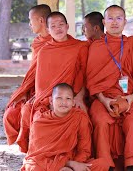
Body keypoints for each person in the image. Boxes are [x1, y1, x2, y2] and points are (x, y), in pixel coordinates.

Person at [86, 5, 133, 170]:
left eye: (119, 18)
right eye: (110, 18)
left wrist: (132, 97)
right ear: (104, 22)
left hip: (128, 96)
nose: (115, 22)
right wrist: (104, 100)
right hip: (104, 97)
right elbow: (91, 79)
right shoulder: (96, 47)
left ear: (125, 22)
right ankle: (106, 165)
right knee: (100, 121)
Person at [16, 11, 88, 153]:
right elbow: (41, 80)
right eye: (53, 26)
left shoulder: (80, 47)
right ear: (48, 30)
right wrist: (41, 98)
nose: (58, 28)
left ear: (67, 26)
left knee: (80, 116)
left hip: (71, 96)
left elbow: (85, 74)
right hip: (47, 98)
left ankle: (69, 155)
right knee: (28, 111)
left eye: (61, 25)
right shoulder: (44, 51)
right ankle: (38, 154)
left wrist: (79, 96)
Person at [21, 83, 109, 171]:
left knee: (102, 164)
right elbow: (35, 157)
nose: (64, 102)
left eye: (68, 98)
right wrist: (67, 164)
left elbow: (84, 148)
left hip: (72, 161)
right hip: (47, 164)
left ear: (73, 102)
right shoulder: (40, 122)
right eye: (59, 98)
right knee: (33, 167)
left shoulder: (79, 117)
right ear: (51, 101)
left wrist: (76, 164)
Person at [3, 4, 52, 145]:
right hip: (33, 88)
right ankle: (24, 145)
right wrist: (25, 90)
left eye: (31, 20)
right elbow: (33, 72)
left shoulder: (56, 42)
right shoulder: (37, 42)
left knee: (28, 111)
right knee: (11, 112)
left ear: (41, 20)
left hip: (48, 90)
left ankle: (31, 147)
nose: (30, 24)